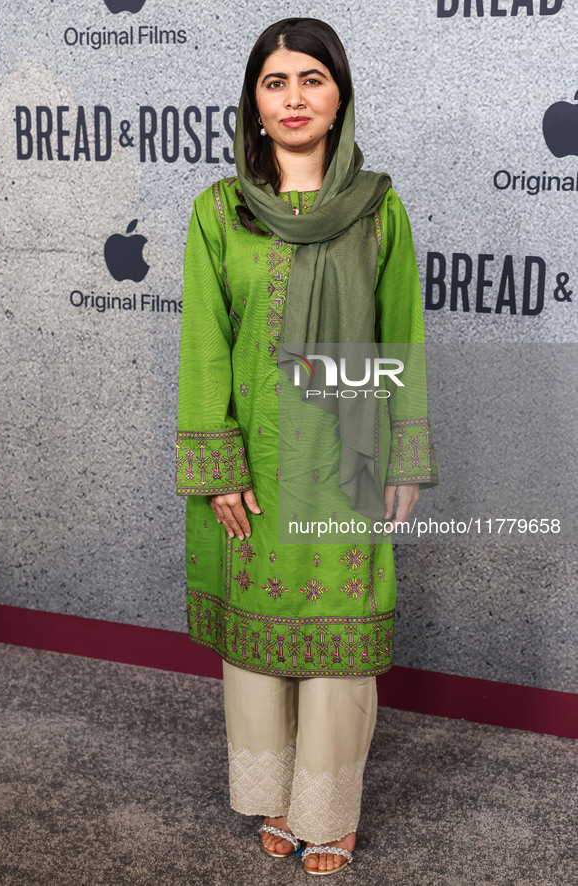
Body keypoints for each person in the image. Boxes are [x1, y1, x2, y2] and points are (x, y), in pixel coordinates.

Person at [177, 17, 438, 876]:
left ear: (339, 98)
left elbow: (399, 337)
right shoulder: (219, 213)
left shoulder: (378, 209)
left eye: (311, 80)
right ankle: (278, 799)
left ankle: (330, 814)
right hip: (253, 457)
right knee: (257, 644)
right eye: (275, 82)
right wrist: (216, 465)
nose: (293, 98)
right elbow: (204, 345)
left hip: (344, 460)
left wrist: (402, 456)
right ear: (253, 104)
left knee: (337, 648)